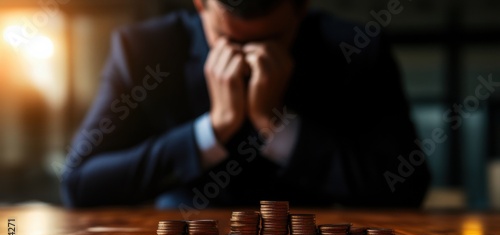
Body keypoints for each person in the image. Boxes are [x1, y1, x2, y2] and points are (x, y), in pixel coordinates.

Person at [60, 0, 431, 211]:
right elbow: (79, 185)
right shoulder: (143, 51)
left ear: (301, 8)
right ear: (200, 4)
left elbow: (408, 187)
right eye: (225, 39)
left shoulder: (357, 50)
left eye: (271, 40)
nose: (250, 58)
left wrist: (276, 127)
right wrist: (212, 131)